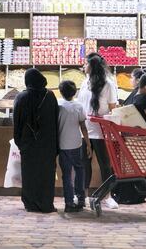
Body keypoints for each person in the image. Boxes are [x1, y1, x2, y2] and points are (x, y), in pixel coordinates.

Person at [13, 68, 58, 213]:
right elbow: (55, 120)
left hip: (29, 142)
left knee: (29, 173)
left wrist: (19, 141)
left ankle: (31, 203)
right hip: (47, 143)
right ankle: (46, 203)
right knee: (46, 173)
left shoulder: (22, 97)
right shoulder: (50, 96)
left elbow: (17, 122)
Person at [77, 55, 119, 209]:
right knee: (84, 163)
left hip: (101, 130)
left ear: (93, 66)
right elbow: (81, 104)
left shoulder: (108, 84)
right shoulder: (84, 82)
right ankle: (84, 195)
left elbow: (113, 107)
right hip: (84, 130)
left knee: (105, 164)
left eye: (86, 63)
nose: (83, 66)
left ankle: (107, 196)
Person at [114, 68, 146, 205]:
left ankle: (132, 195)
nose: (130, 80)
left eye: (132, 77)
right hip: (134, 137)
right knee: (134, 167)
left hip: (136, 138)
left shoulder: (140, 95)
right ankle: (132, 195)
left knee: (134, 167)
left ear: (138, 80)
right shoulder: (138, 94)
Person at [57, 80, 90, 213]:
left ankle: (69, 203)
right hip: (76, 143)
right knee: (79, 171)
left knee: (66, 174)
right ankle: (81, 199)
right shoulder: (79, 106)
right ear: (75, 92)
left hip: (62, 144)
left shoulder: (58, 105)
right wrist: (88, 144)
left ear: (60, 91)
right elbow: (83, 126)